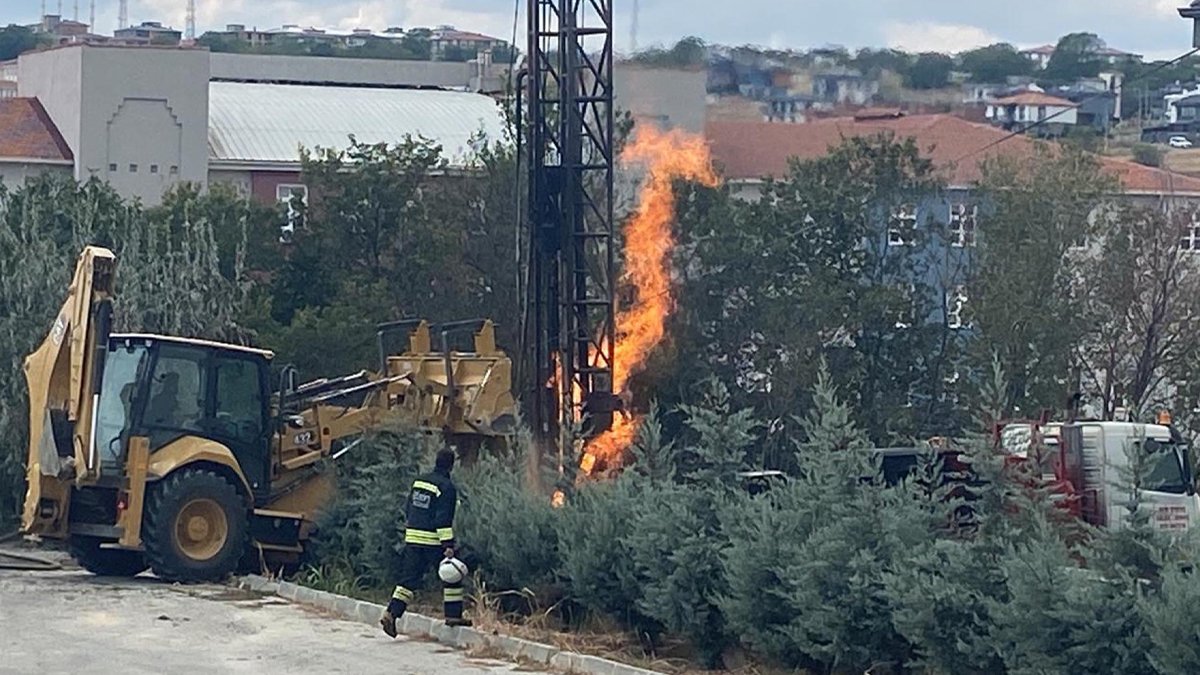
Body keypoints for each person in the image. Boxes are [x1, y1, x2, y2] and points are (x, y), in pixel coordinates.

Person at [380, 449, 471, 637]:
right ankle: (453, 616)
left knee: (408, 580)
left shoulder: (419, 481)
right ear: (451, 465)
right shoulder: (447, 487)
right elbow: (442, 519)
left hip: (413, 538)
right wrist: (448, 546)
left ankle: (391, 613)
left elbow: (408, 508)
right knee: (453, 573)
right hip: (432, 541)